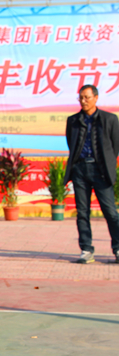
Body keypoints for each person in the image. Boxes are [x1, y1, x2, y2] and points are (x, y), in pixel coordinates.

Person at [64, 84, 119, 264]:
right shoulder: (73, 120)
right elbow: (71, 143)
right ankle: (86, 250)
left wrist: (106, 163)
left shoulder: (109, 119)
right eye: (81, 97)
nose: (83, 101)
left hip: (101, 170)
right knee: (82, 212)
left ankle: (118, 248)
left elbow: (115, 146)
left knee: (110, 212)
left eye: (87, 97)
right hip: (80, 170)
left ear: (96, 98)